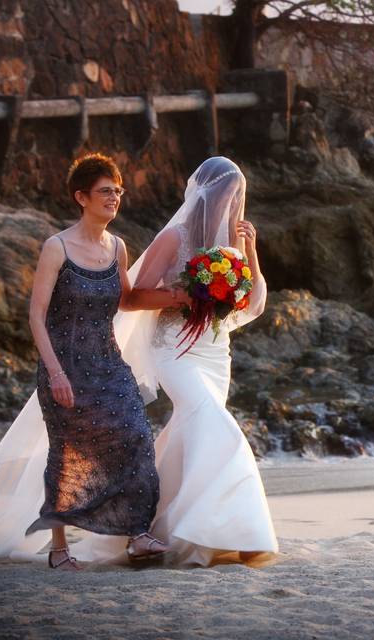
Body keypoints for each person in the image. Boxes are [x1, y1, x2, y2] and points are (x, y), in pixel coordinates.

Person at [0, 154, 181, 568]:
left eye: (118, 191)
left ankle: (137, 534)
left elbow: (128, 299)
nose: (114, 197)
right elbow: (36, 315)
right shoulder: (58, 247)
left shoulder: (118, 246)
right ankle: (59, 549)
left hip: (109, 364)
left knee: (136, 435)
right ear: (81, 197)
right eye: (106, 191)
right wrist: (54, 372)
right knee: (66, 453)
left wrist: (180, 296)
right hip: (64, 365)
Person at [108, 156, 278, 566]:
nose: (232, 201)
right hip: (174, 350)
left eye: (237, 194)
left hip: (215, 352)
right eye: (226, 193)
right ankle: (246, 531)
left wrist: (251, 251)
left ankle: (153, 524)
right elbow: (131, 298)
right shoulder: (174, 237)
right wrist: (180, 296)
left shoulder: (232, 244)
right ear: (206, 194)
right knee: (217, 426)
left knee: (191, 434)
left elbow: (252, 305)